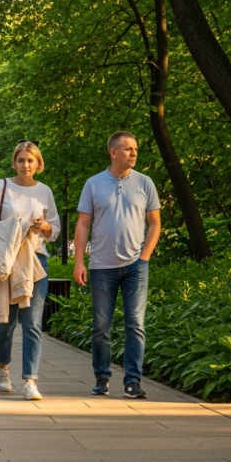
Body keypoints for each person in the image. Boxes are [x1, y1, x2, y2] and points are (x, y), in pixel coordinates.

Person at [73, 131, 162, 399]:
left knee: (136, 324)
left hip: (136, 266)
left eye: (135, 149)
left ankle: (133, 381)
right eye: (128, 149)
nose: (134, 153)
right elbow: (83, 224)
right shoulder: (93, 184)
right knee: (101, 325)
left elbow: (155, 223)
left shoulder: (145, 183)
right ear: (113, 152)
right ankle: (102, 377)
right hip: (102, 266)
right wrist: (79, 261)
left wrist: (145, 256)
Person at [0, 141, 60, 400]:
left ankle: (30, 380)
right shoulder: (1, 187)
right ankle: (3, 368)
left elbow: (55, 230)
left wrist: (44, 225)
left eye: (31, 160)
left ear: (38, 164)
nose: (26, 165)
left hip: (36, 260)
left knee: (33, 322)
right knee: (6, 321)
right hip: (8, 260)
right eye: (21, 160)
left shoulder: (44, 191)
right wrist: (12, 227)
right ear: (14, 162)